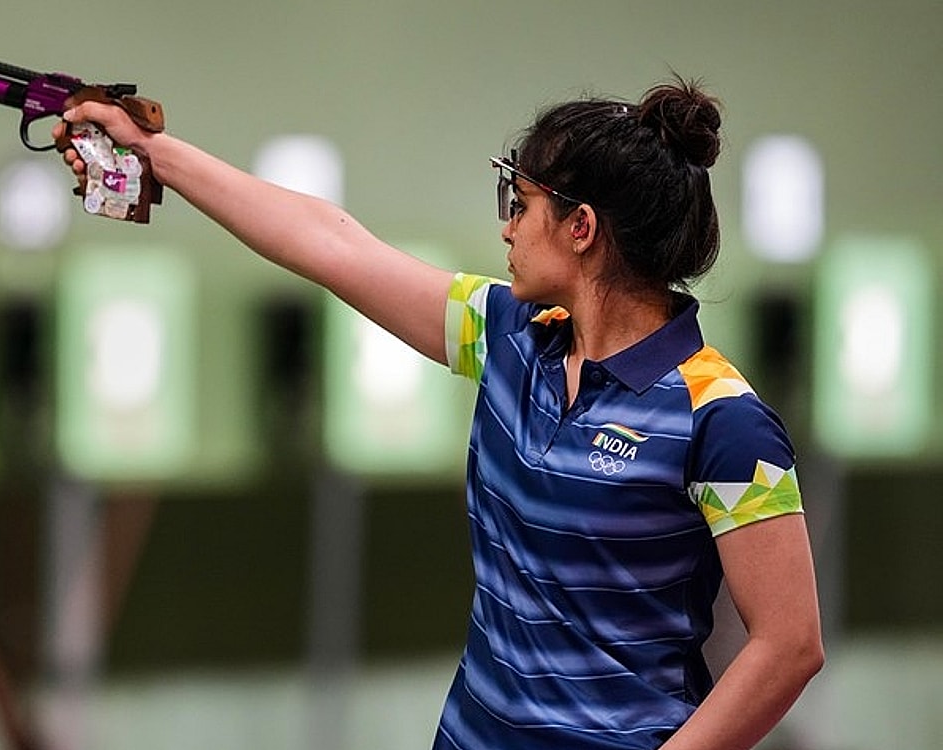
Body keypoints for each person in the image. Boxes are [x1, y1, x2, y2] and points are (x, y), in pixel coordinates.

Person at [55, 75, 824, 750]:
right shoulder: (508, 339)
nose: (507, 228)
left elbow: (789, 645)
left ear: (582, 228)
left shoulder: (722, 419)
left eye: (519, 205)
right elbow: (331, 243)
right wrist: (154, 151)